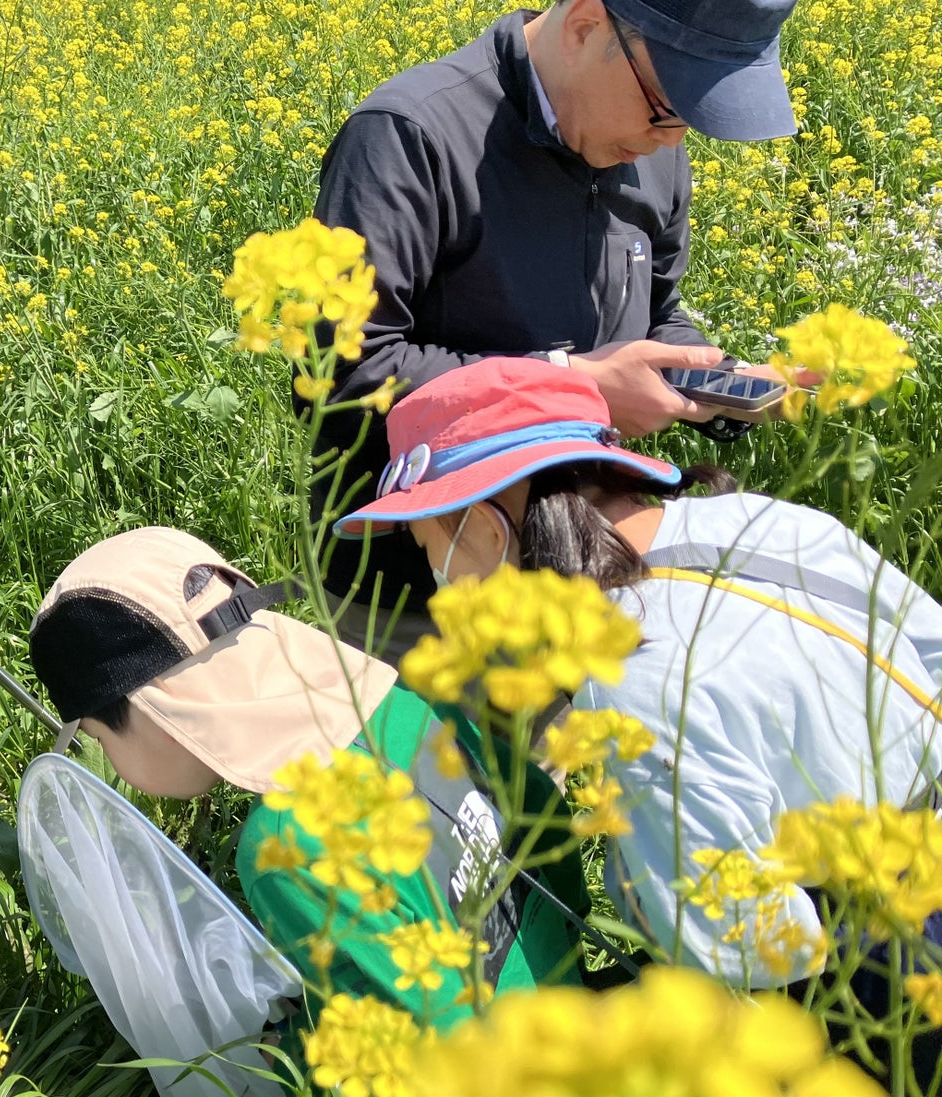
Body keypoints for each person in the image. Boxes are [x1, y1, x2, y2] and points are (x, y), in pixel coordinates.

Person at [307, 0, 816, 654]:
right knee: (423, 776)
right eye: (667, 107)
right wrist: (574, 384)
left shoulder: (648, 142)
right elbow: (344, 380)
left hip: (589, 568)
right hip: (421, 594)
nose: (672, 141)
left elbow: (657, 315)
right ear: (585, 27)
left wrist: (711, 380)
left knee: (557, 777)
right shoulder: (407, 137)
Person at [339, 357, 942, 986]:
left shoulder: (633, 674)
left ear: (486, 532)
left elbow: (750, 949)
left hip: (901, 946)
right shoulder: (767, 520)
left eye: (428, 545)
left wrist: (640, 890)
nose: (439, 591)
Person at [28, 527, 590, 1027]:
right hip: (563, 996)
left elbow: (403, 1041)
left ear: (156, 714)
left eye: (99, 740)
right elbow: (541, 809)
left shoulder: (283, 848)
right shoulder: (401, 705)